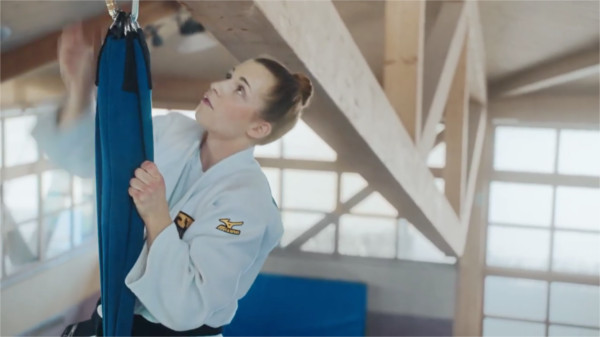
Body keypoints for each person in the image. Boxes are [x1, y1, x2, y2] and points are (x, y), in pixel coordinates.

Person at [32, 22, 313, 336]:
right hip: (114, 314)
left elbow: (188, 305)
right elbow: (90, 160)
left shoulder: (248, 204)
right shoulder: (173, 131)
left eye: (240, 89)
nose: (218, 86)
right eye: (229, 76)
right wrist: (79, 87)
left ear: (259, 128)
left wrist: (156, 215)